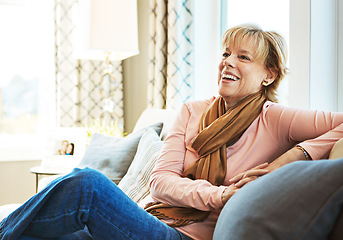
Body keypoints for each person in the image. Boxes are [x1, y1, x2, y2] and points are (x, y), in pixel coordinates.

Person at [1, 24, 343, 240]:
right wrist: (219, 195)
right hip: (149, 217)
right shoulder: (191, 111)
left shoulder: (275, 119)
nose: (228, 62)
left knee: (87, 184)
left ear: (268, 75)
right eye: (225, 54)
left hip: (185, 237)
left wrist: (296, 154)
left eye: (243, 57)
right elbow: (160, 182)